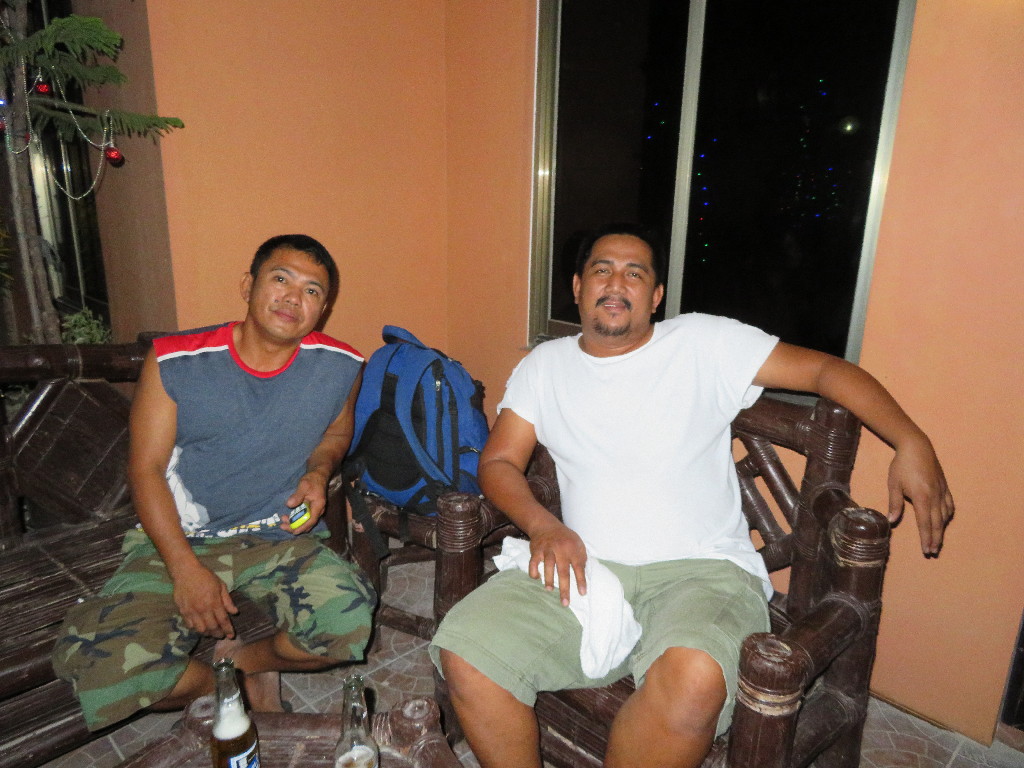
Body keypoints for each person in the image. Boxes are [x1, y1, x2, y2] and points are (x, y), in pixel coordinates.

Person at [429, 223, 954, 768]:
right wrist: (544, 526)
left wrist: (910, 440)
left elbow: (825, 370)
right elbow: (498, 463)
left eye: (635, 273)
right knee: (467, 650)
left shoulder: (703, 343)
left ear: (656, 296)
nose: (616, 283)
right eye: (602, 270)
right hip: (584, 567)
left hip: (703, 574)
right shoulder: (545, 366)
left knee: (694, 678)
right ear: (578, 287)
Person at [52, 234, 376, 732]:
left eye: (312, 291)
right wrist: (184, 569)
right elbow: (145, 470)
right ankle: (229, 689)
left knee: (347, 627)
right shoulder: (175, 362)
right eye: (281, 279)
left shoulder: (342, 365)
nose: (294, 298)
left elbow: (336, 432)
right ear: (248, 285)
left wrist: (318, 471)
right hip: (181, 539)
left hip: (278, 535)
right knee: (108, 670)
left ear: (324, 307)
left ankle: (246, 662)